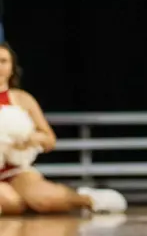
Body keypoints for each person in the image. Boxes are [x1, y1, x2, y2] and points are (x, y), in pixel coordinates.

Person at [0, 44, 126, 215]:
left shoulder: (22, 99)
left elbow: (49, 140)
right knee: (11, 203)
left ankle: (88, 199)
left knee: (43, 200)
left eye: (3, 61)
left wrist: (32, 139)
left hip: (16, 169)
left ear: (12, 67)